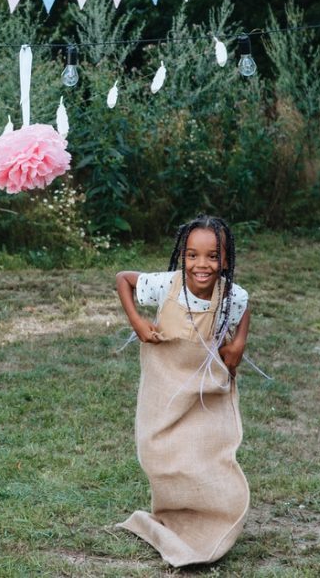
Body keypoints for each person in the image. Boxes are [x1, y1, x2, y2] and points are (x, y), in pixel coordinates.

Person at [114, 214, 250, 568]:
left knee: (204, 452)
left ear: (225, 260)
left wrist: (239, 343)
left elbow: (245, 306)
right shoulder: (166, 285)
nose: (201, 265)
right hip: (165, 383)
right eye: (192, 255)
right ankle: (172, 512)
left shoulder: (230, 295)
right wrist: (138, 322)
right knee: (156, 450)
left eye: (212, 256)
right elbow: (123, 280)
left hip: (202, 389)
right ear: (183, 256)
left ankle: (211, 519)